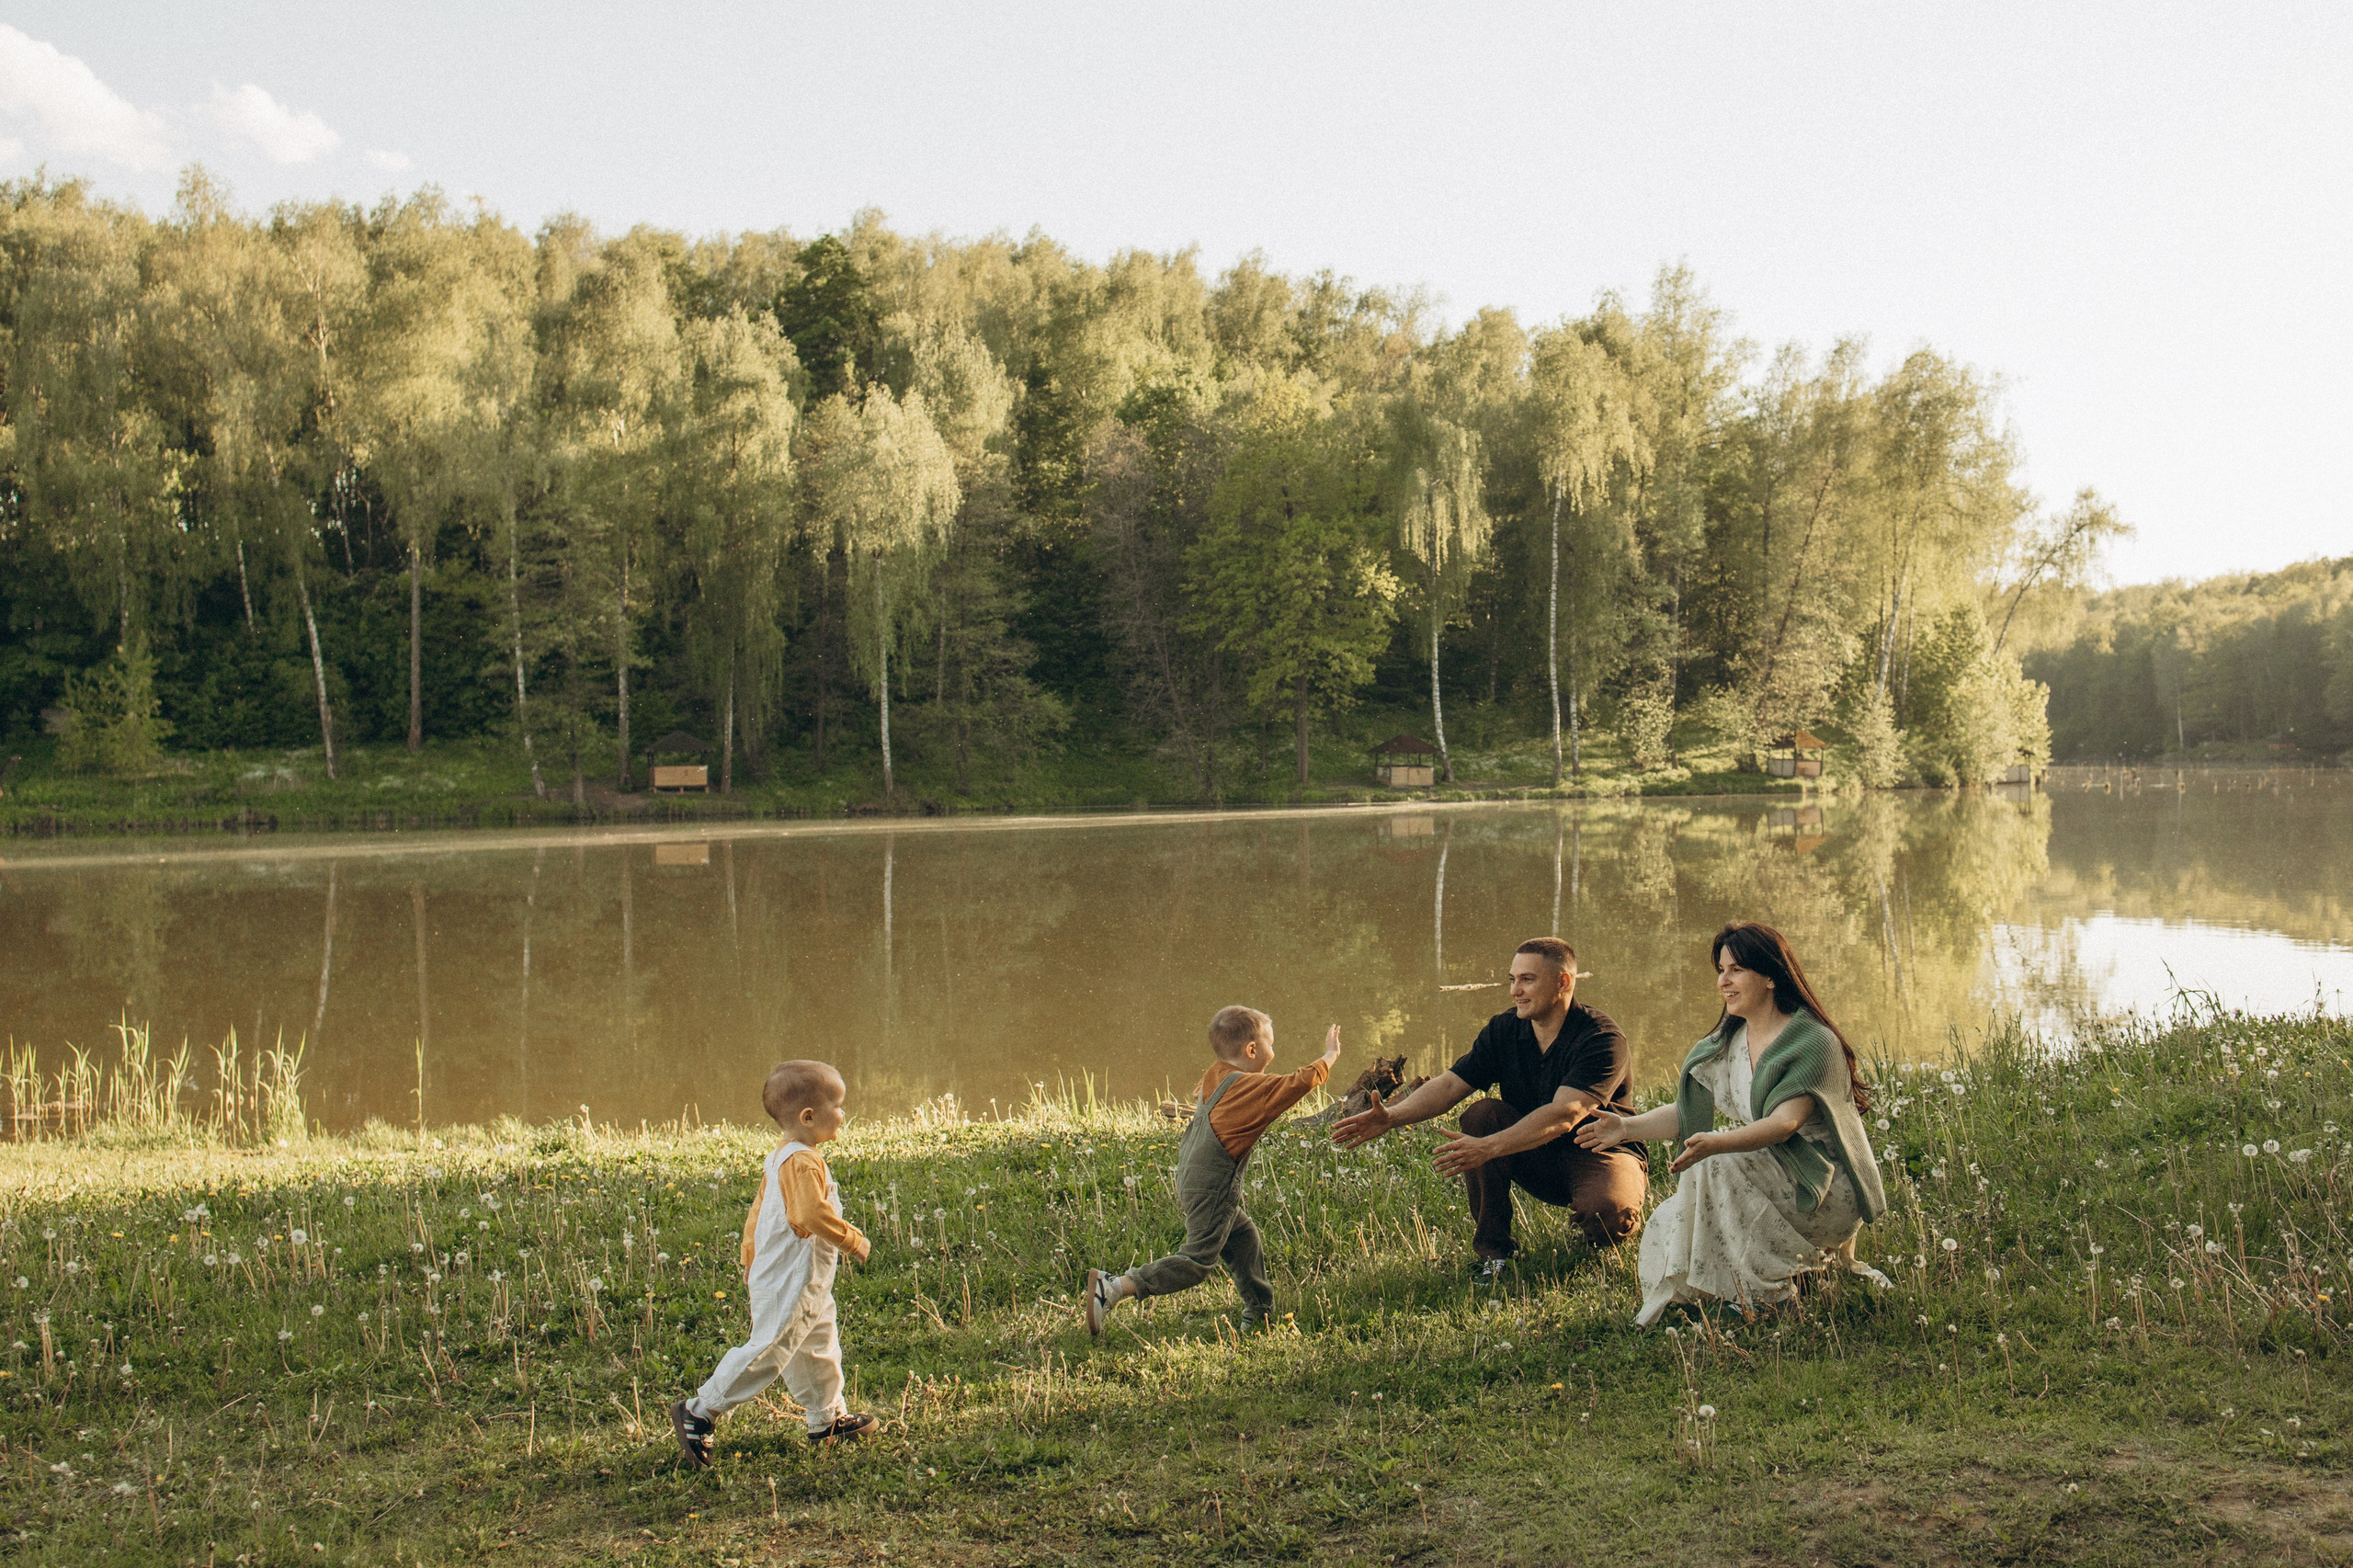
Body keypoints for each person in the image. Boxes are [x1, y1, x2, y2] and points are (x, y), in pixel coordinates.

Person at [1575, 921, 1890, 1325]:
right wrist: (1625, 1128)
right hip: (1769, 1172)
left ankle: (1772, 1298)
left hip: (1822, 1187)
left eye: (1736, 970)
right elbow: (1684, 1114)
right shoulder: (1731, 1040)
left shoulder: (1813, 1041)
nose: (1724, 981)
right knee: (1673, 1218)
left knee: (1716, 1165)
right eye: (1721, 971)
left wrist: (1718, 1144)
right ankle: (1776, 1278)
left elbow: (1785, 1123)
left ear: (1772, 976)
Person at [1332, 937, 1646, 1280]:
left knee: (1608, 1217)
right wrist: (1393, 1116)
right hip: (1533, 1150)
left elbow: (1565, 1114)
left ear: (1563, 982)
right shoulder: (1505, 1029)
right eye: (1512, 979)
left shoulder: (1602, 1038)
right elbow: (1452, 1084)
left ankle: (1594, 1220)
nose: (1515, 990)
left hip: (1598, 1149)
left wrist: (1489, 1147)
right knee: (1482, 1116)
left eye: (1527, 979)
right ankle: (1495, 1254)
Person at [1084, 1007, 1341, 1335]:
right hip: (1213, 1183)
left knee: (1244, 1237)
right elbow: (1298, 1083)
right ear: (1252, 1050)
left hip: (1190, 1174)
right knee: (1198, 1262)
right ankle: (1115, 1287)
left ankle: (1259, 1311)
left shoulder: (1216, 1075)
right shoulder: (1248, 1088)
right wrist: (1330, 1055)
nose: (1274, 1053)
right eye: (1271, 1045)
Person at [672, 1060, 878, 1465]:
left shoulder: (783, 1155)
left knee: (816, 1344)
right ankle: (701, 1410)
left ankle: (826, 1418)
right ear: (809, 1116)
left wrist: (749, 1254)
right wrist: (853, 1240)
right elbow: (808, 1215)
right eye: (838, 1106)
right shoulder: (803, 1161)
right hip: (792, 1277)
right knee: (771, 1347)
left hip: (798, 1278)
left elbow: (758, 1210)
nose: (843, 1114)